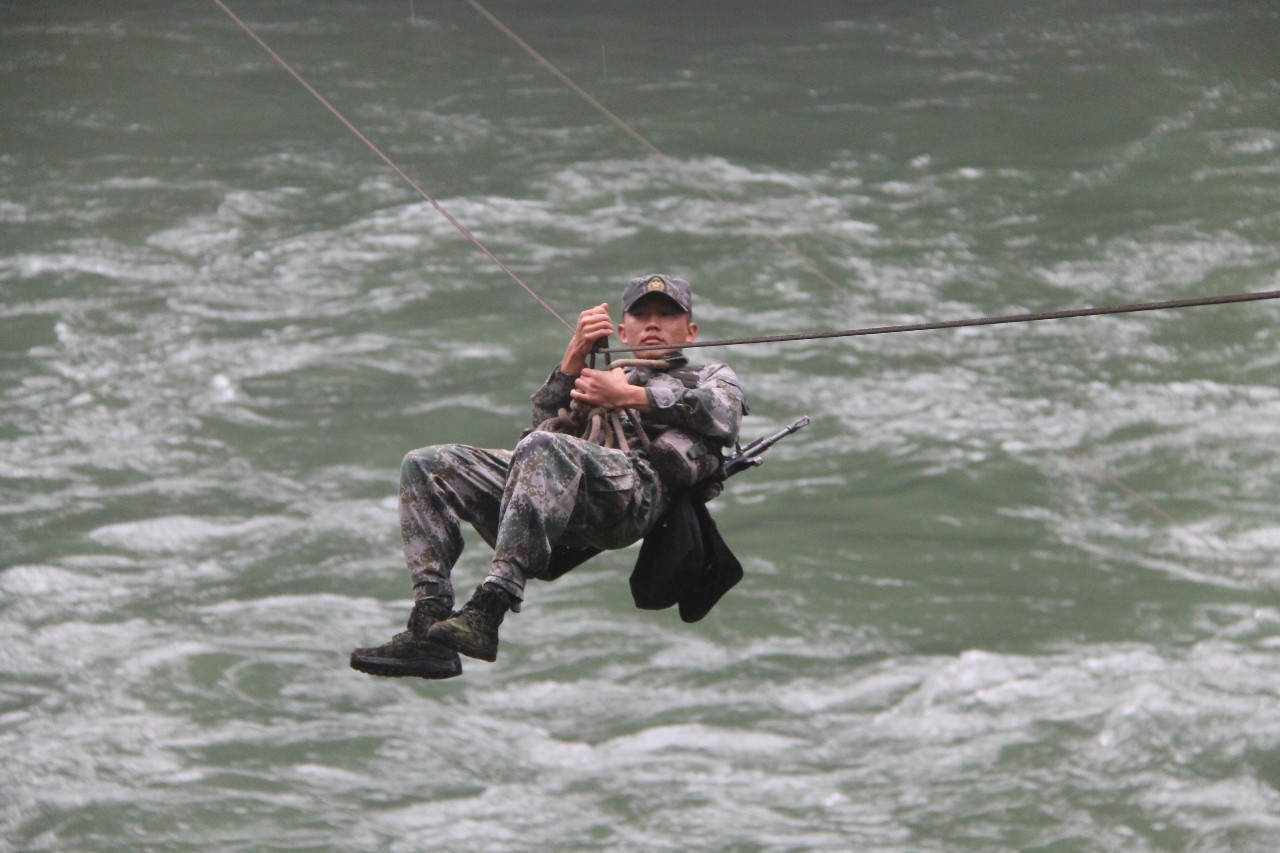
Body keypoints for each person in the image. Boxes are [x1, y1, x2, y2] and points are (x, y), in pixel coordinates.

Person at [349, 274, 747, 679]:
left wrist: (626, 396)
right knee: (426, 464)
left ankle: (491, 605)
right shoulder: (600, 376)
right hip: (566, 484)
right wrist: (572, 361)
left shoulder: (711, 374)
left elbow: (722, 413)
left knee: (545, 451)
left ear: (691, 331)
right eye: (641, 315)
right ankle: (427, 619)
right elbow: (542, 431)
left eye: (667, 315)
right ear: (623, 330)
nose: (653, 324)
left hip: (634, 494)